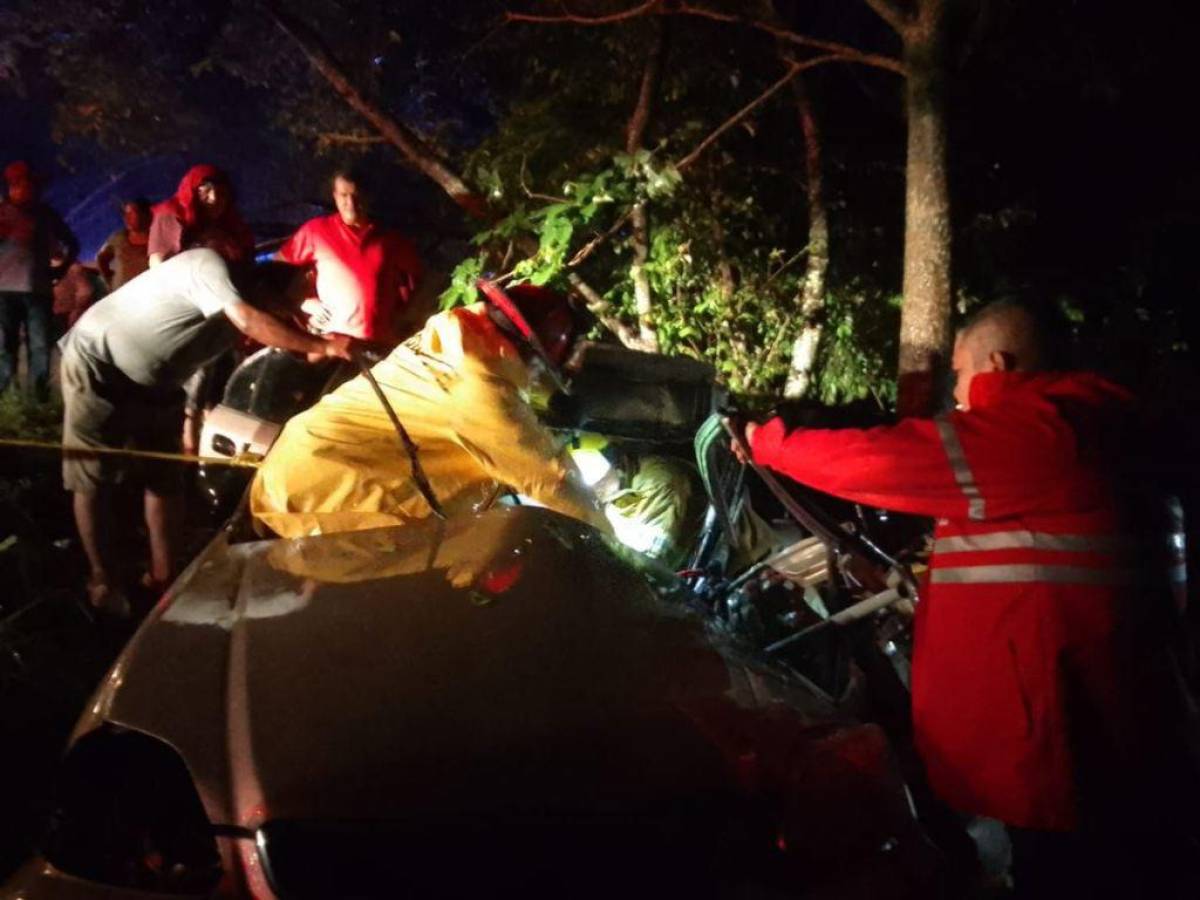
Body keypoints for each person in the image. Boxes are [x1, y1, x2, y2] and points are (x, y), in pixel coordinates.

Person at [739, 301, 1190, 897]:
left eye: (958, 373)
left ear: (998, 363)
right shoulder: (1095, 431)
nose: (955, 394)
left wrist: (769, 443)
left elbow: (887, 458)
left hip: (1069, 759)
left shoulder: (1041, 433)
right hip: (1103, 739)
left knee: (1073, 875)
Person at [61, 248, 354, 614]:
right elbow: (251, 320)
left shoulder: (230, 315)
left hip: (160, 384)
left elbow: (199, 363)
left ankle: (164, 578)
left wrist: (190, 419)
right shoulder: (210, 268)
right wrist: (322, 344)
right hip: (98, 363)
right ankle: (101, 578)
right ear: (263, 288)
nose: (284, 316)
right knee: (93, 477)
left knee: (166, 479)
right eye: (282, 307)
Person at [250, 282, 610, 538]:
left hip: (298, 460)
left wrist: (551, 402)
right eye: (542, 369)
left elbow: (508, 381)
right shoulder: (480, 389)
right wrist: (622, 558)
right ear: (531, 355)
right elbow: (551, 480)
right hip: (323, 493)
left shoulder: (457, 338)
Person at [275, 166, 424, 346]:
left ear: (367, 197)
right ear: (335, 196)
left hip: (382, 343)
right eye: (344, 195)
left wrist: (403, 317)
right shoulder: (317, 231)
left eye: (356, 196)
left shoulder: (389, 239)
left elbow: (418, 277)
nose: (351, 203)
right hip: (337, 345)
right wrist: (305, 303)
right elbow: (278, 271)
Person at [0, 160, 78, 399]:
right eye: (23, 184)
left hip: (38, 291)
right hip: (5, 292)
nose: (30, 189)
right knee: (6, 346)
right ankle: (6, 394)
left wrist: (61, 270)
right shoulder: (2, 213)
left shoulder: (46, 215)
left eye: (32, 185)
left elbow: (72, 243)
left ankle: (38, 397)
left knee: (40, 345)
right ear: (12, 186)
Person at [148, 164, 253, 267]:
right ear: (192, 192)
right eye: (206, 191)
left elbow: (246, 254)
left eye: (221, 193)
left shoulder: (231, 221)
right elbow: (158, 263)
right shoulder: (172, 214)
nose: (213, 198)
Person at [96, 198, 152, 290]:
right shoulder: (118, 238)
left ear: (146, 214)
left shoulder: (158, 236)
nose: (127, 218)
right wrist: (109, 281)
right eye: (125, 214)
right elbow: (101, 258)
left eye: (132, 213)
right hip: (122, 295)